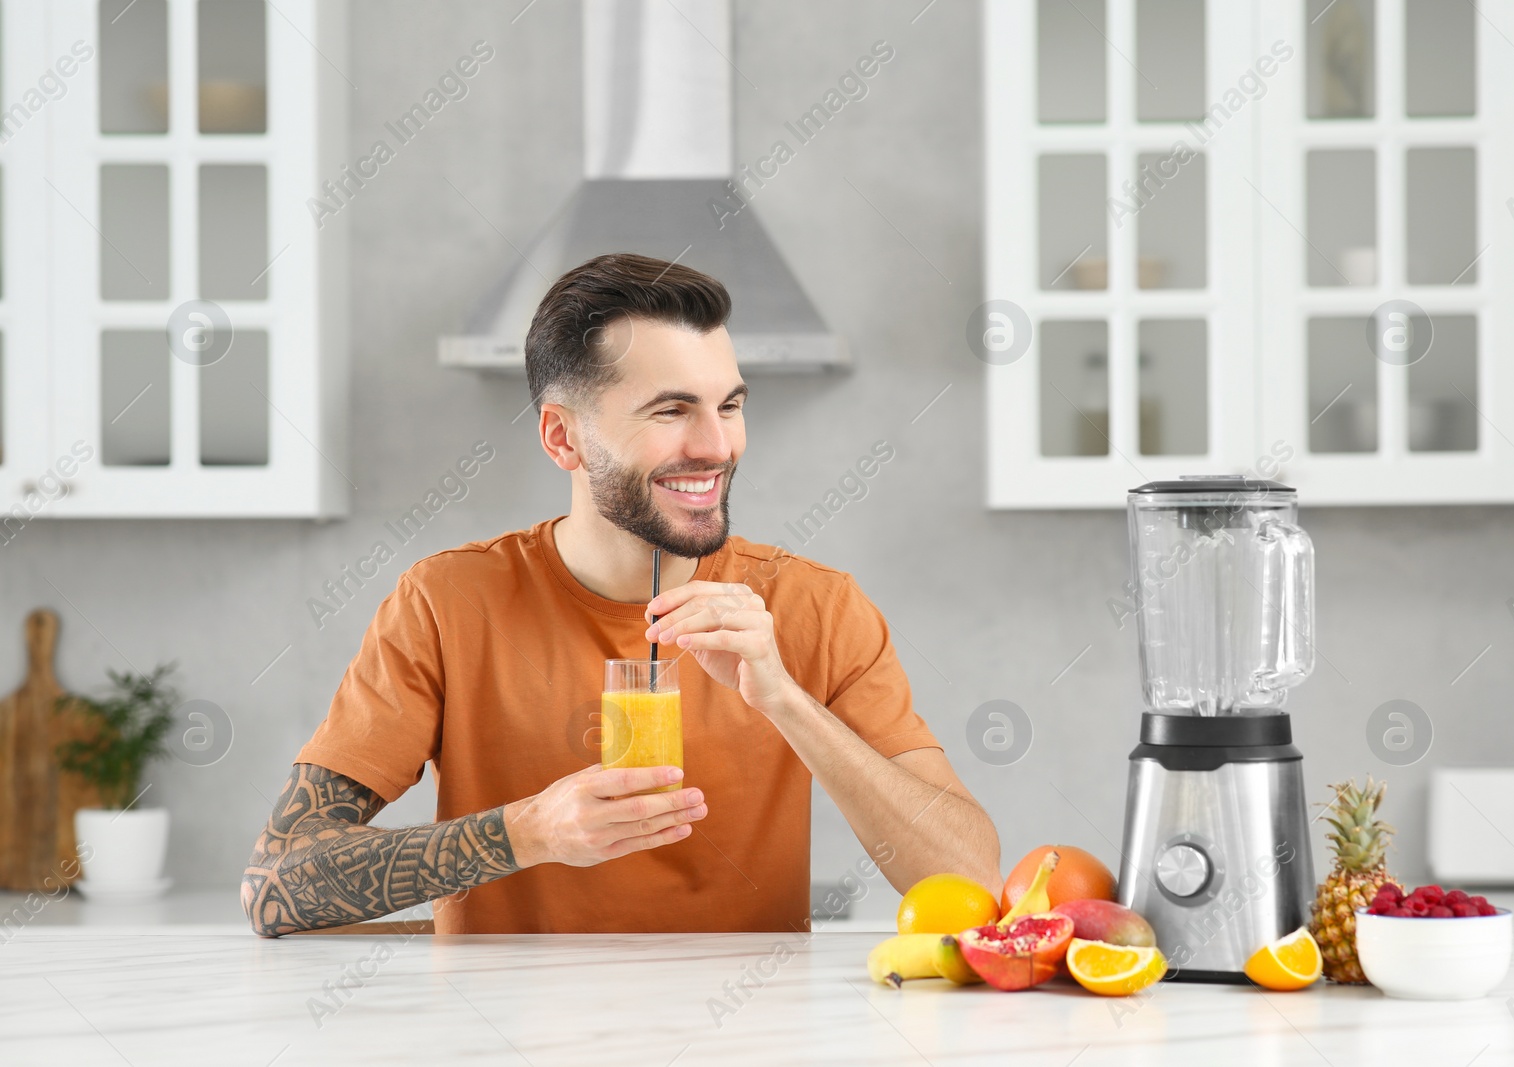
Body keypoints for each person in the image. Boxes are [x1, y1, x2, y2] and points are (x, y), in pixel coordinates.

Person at [241, 252, 1001, 935]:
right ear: (563, 438)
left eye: (729, 405)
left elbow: (971, 882)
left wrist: (785, 701)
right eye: (671, 410)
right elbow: (275, 883)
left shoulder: (816, 608)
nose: (715, 446)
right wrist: (526, 831)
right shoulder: (446, 602)